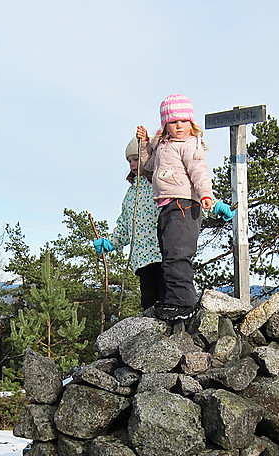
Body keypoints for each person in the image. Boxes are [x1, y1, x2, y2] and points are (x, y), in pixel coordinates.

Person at [136, 94, 234, 322]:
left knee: (178, 255)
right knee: (170, 256)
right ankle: (174, 300)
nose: (179, 126)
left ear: (191, 123)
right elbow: (147, 164)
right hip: (168, 206)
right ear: (165, 125)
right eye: (173, 122)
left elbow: (199, 171)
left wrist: (206, 194)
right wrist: (144, 143)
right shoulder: (162, 145)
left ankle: (183, 303)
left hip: (185, 205)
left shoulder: (190, 145)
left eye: (183, 121)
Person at [93, 137, 163, 310]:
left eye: (136, 159)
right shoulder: (131, 194)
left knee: (167, 302)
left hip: (163, 255)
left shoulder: (161, 183)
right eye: (129, 160)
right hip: (141, 259)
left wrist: (213, 207)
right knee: (148, 304)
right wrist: (110, 242)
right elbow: (124, 227)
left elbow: (184, 200)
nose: (132, 164)